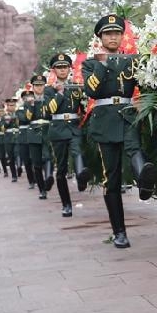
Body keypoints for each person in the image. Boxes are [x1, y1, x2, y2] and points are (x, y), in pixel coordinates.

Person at [82, 15, 157, 249]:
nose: (113, 37)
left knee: (134, 147)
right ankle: (119, 232)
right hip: (104, 120)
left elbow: (147, 82)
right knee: (111, 177)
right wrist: (103, 64)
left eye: (116, 33)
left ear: (122, 36)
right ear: (100, 37)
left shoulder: (132, 61)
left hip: (127, 114)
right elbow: (91, 91)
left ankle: (144, 181)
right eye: (108, 34)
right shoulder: (90, 63)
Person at [45, 53, 92, 217]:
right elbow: (49, 111)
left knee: (78, 150)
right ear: (54, 70)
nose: (62, 70)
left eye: (65, 67)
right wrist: (59, 93)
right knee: (61, 169)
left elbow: (84, 107)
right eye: (59, 67)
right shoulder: (48, 90)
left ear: (69, 69)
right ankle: (66, 204)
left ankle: (81, 175)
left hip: (74, 127)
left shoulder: (76, 87)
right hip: (57, 130)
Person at [25, 73, 55, 199]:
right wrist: (31, 105)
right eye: (36, 85)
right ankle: (42, 189)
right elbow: (27, 118)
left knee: (49, 157)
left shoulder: (49, 98)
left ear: (44, 86)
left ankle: (48, 178)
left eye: (41, 85)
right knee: (36, 164)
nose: (39, 88)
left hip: (48, 131)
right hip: (34, 134)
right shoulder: (28, 101)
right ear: (32, 87)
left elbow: (53, 112)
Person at [15, 89, 36, 192]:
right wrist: (30, 106)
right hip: (23, 138)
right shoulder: (20, 109)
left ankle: (38, 177)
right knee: (27, 161)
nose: (29, 98)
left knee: (36, 159)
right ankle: (31, 181)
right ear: (23, 99)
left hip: (35, 135)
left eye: (31, 96)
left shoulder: (36, 105)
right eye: (27, 97)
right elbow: (25, 119)